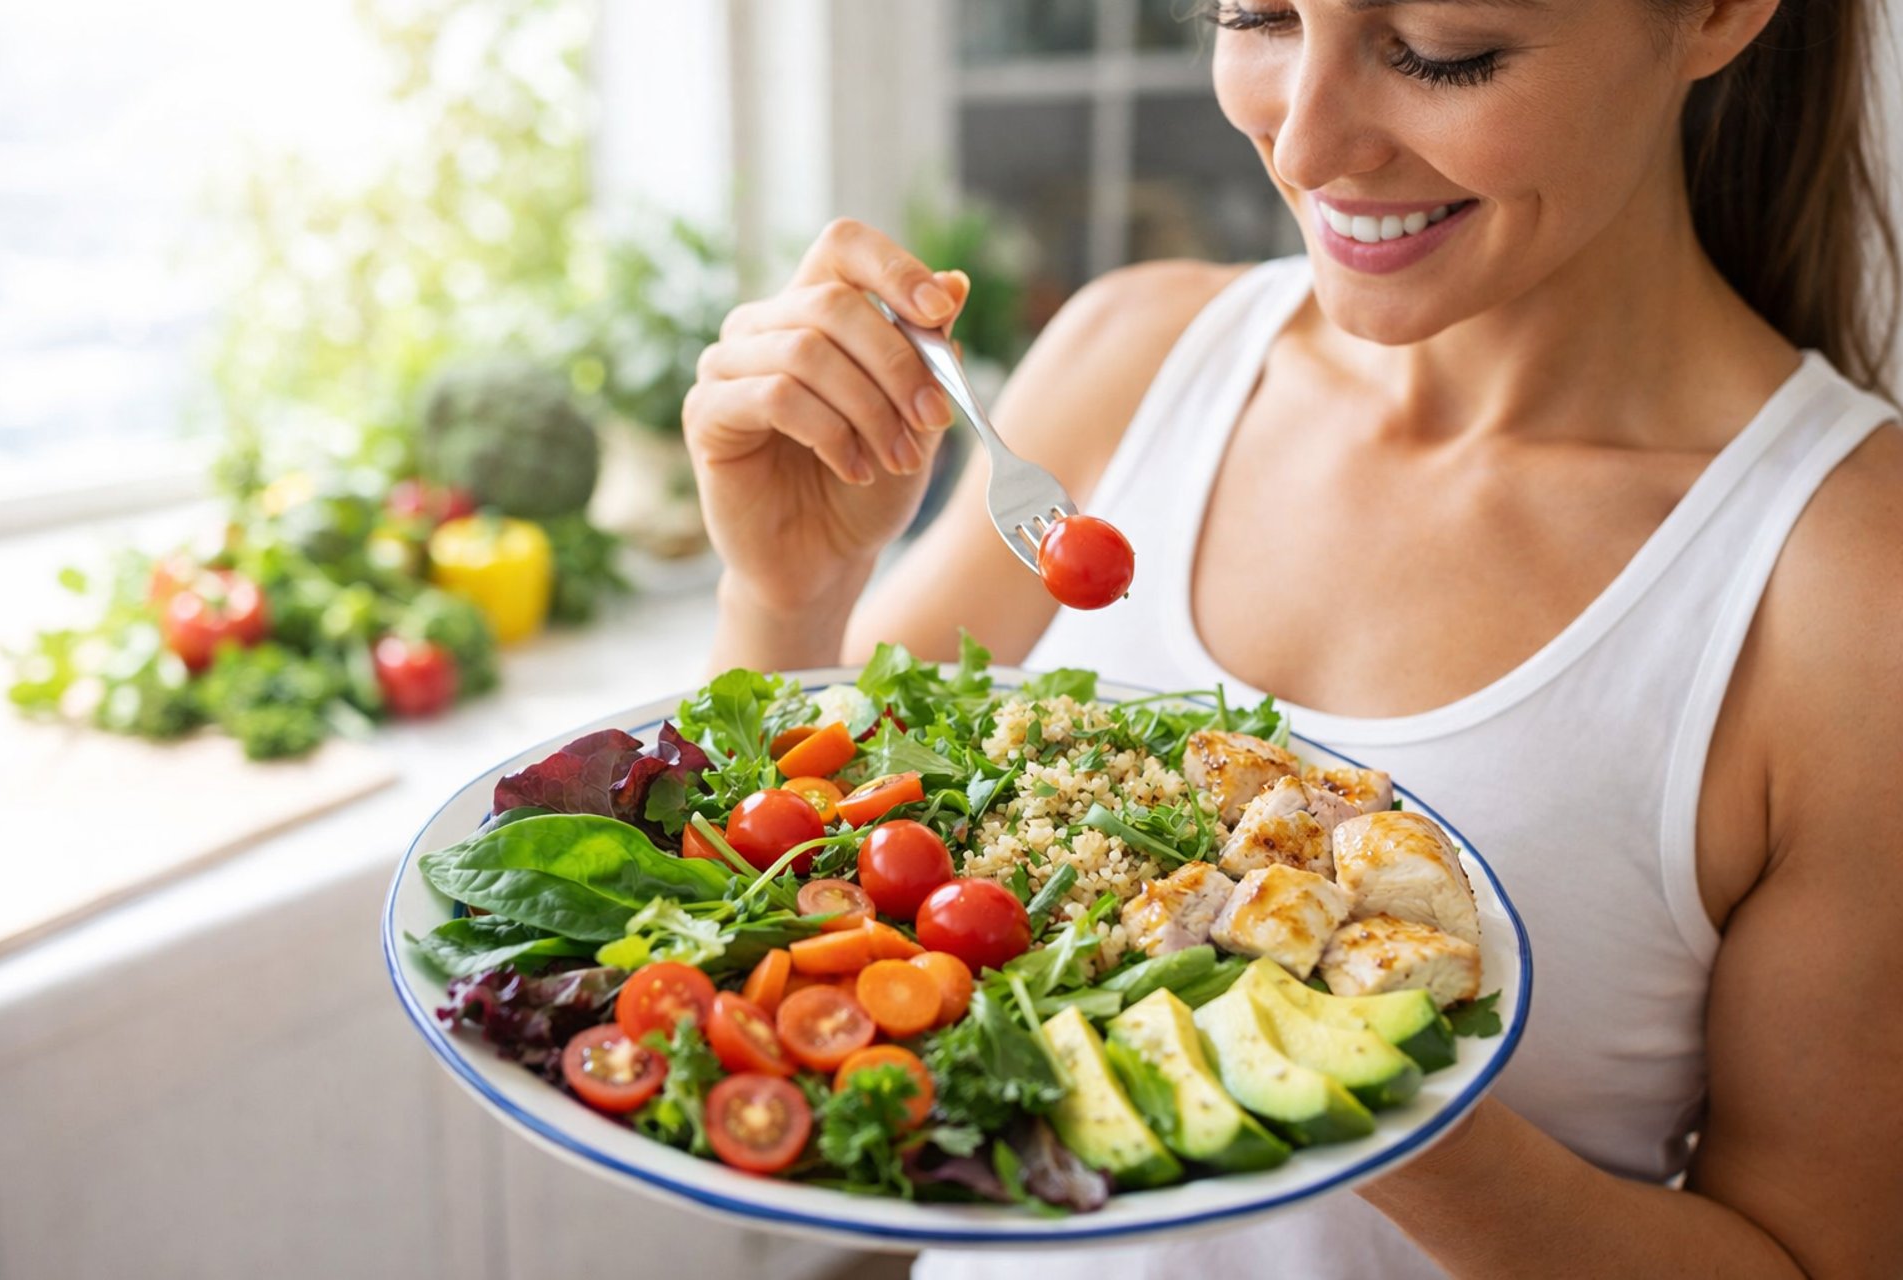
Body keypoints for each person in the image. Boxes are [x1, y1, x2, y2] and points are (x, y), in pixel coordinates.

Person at [679, 0, 1903, 1273]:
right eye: (1254, 13)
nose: (1307, 146)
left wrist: (1350, 1066)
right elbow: (781, 879)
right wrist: (788, 590)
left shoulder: (1850, 593)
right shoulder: (1133, 356)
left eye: (1440, 50)